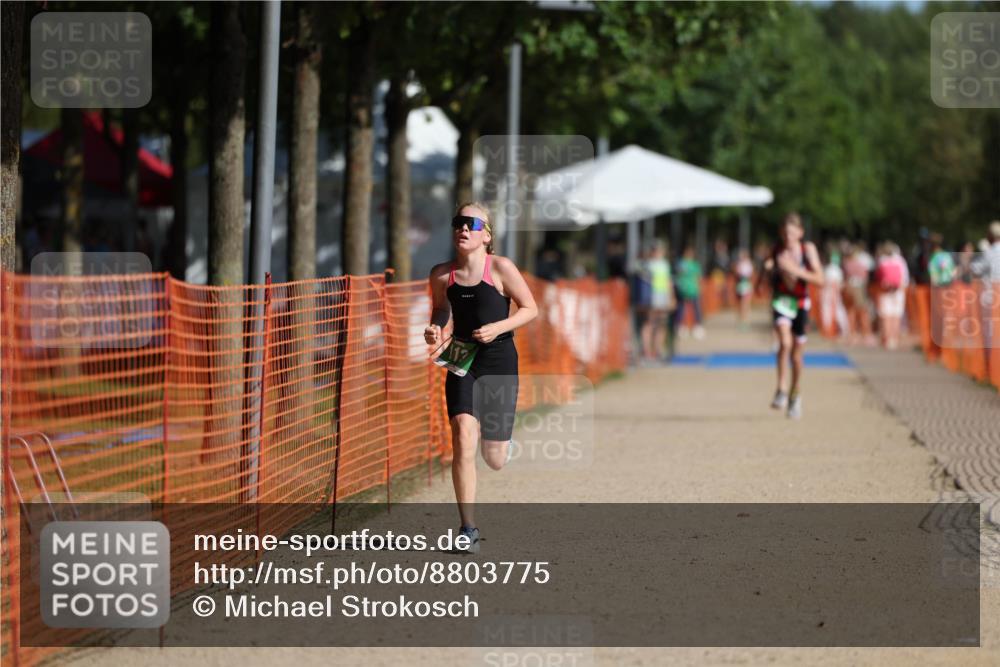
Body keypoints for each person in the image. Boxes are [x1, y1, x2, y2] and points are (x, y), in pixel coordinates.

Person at [425, 202, 538, 553]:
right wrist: (435, 329)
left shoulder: (501, 268)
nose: (464, 228)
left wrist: (498, 327)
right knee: (461, 434)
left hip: (499, 359)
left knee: (495, 460)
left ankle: (503, 443)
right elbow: (442, 309)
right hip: (463, 358)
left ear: (487, 235)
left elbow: (531, 308)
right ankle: (467, 528)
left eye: (472, 224)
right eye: (459, 222)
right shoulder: (442, 274)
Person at [761, 213, 823, 419]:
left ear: (800, 233)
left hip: (801, 303)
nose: (788, 237)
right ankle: (781, 389)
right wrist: (767, 269)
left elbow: (819, 279)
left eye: (792, 233)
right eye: (785, 233)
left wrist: (795, 270)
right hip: (781, 301)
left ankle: (795, 395)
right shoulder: (776, 249)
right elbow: (765, 269)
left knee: (797, 356)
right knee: (784, 343)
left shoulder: (808, 250)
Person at [639, 240, 675, 361]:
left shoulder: (665, 265)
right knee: (649, 323)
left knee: (662, 324)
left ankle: (658, 349)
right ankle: (647, 351)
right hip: (651, 299)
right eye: (655, 250)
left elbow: (669, 282)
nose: (657, 252)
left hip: (663, 298)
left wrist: (671, 297)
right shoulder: (647, 265)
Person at [874, 242, 910, 350]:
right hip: (898, 291)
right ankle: (895, 338)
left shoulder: (882, 260)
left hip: (885, 290)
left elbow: (878, 277)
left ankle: (887, 338)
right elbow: (905, 278)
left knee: (886, 315)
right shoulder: (901, 261)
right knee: (896, 315)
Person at [842, 243, 876, 346]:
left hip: (849, 288)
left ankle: (853, 335)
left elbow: (846, 276)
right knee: (863, 313)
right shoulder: (860, 264)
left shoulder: (846, 263)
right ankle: (866, 335)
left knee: (851, 312)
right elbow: (865, 276)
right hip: (859, 289)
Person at [673, 246, 705, 339]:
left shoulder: (695, 264)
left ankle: (697, 327)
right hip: (682, 290)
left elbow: (698, 277)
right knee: (681, 309)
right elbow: (678, 275)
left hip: (693, 290)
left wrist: (700, 287)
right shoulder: (680, 263)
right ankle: (681, 327)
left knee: (696, 309)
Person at [732, 248, 755, 329]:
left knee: (745, 304)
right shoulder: (739, 264)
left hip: (745, 285)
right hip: (740, 285)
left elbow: (749, 274)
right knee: (740, 304)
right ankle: (741, 321)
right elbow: (737, 274)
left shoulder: (748, 264)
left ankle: (745, 321)